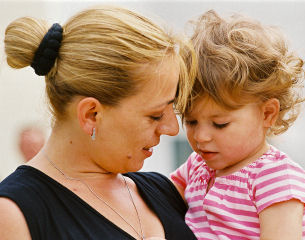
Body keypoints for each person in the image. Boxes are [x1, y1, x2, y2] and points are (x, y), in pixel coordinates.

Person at [0, 5, 197, 240]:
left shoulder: (163, 190)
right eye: (155, 115)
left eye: (172, 108)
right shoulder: (14, 213)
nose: (172, 129)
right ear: (91, 114)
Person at [170, 10, 305, 240]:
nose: (201, 136)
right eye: (190, 121)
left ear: (267, 114)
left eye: (220, 124)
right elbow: (157, 202)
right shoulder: (196, 167)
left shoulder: (276, 179)